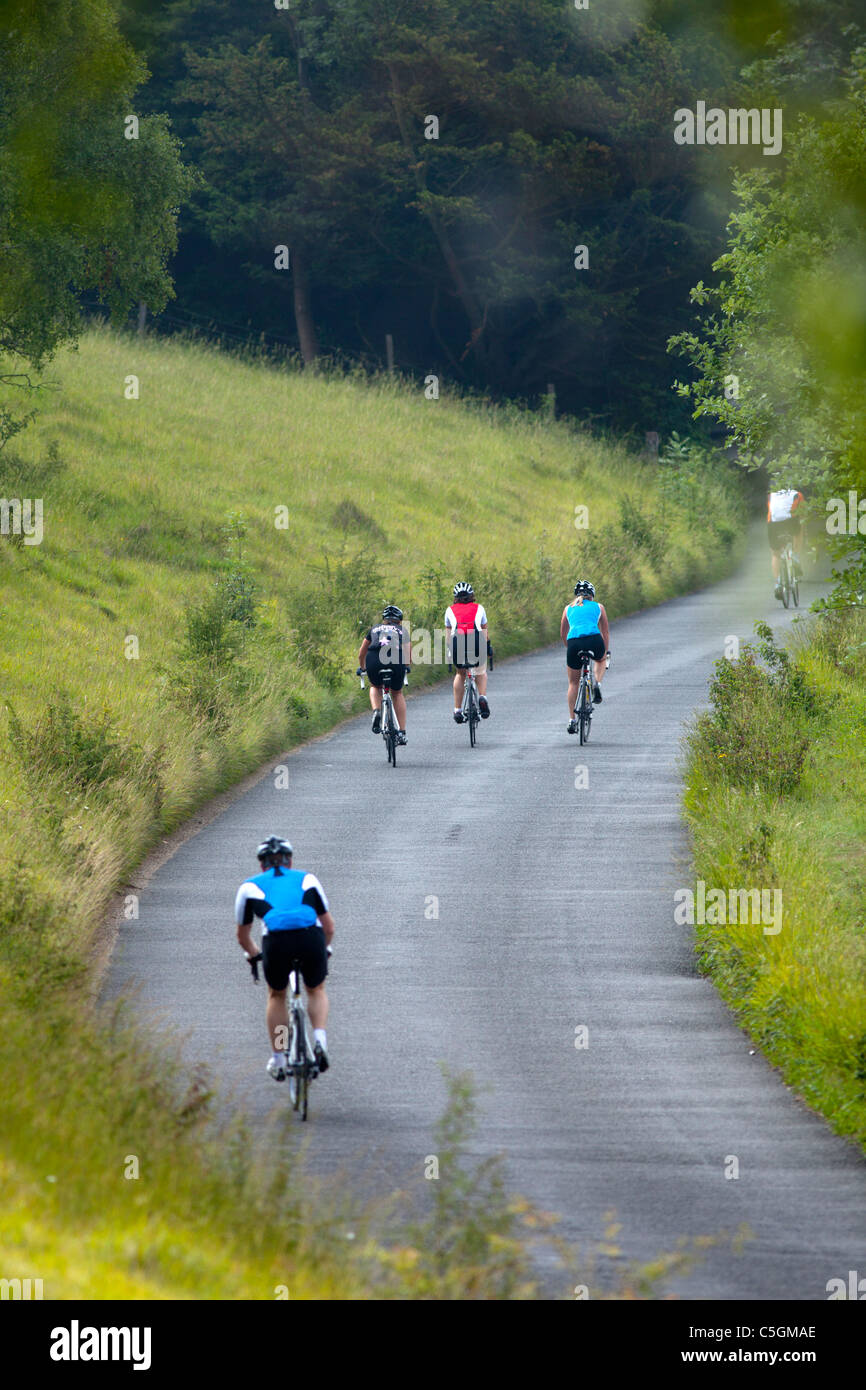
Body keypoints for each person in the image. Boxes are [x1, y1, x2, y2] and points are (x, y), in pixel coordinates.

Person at [235, 835, 334, 1081]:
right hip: (311, 938)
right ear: (290, 861)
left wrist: (255, 955)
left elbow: (243, 936)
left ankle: (279, 1057)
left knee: (277, 995)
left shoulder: (249, 887)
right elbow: (329, 927)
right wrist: (325, 949)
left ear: (262, 864)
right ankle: (320, 1040)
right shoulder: (308, 879)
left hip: (276, 943)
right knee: (316, 988)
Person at [560, 580, 610, 734]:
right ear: (592, 595)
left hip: (574, 642)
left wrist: (569, 647)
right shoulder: (599, 607)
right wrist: (605, 652)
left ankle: (572, 720)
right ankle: (597, 684)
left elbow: (563, 632)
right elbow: (605, 632)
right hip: (594, 640)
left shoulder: (568, 608)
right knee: (601, 660)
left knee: (573, 683)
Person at [357, 605, 412, 745]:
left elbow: (361, 653)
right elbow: (408, 655)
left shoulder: (374, 629)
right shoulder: (402, 630)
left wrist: (363, 668)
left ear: (384, 620)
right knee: (397, 693)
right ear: (399, 621)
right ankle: (401, 732)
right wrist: (406, 666)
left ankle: (376, 711)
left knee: (375, 686)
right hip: (395, 659)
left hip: (374, 659)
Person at [445, 581, 491, 722]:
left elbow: (448, 636)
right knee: (480, 670)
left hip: (457, 641)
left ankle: (458, 710)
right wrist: (487, 648)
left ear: (455, 597)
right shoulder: (479, 608)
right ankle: (482, 696)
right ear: (472, 596)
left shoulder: (449, 610)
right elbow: (484, 633)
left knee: (460, 673)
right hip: (476, 640)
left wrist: (449, 653)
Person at [767, 488, 805, 598]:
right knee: (800, 528)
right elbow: (802, 514)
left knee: (775, 554)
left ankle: (778, 583)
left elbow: (770, 511)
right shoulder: (797, 494)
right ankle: (795, 556)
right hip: (791, 522)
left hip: (773, 524)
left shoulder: (771, 495)